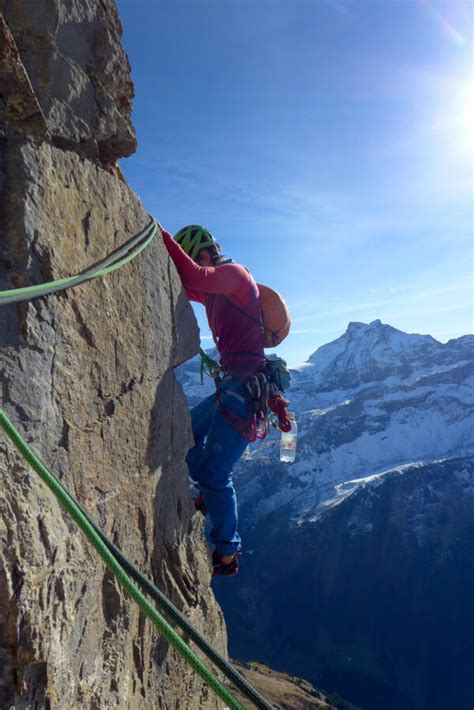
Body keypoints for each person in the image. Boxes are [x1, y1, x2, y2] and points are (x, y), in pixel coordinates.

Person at [160, 224, 265, 577]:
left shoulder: (235, 276)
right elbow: (190, 283)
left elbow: (194, 275)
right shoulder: (215, 291)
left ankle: (227, 552)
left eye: (195, 257)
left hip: (245, 388)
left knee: (215, 472)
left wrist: (154, 229)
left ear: (204, 253)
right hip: (234, 386)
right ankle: (206, 495)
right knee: (185, 432)